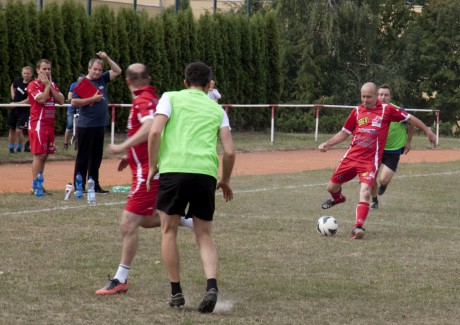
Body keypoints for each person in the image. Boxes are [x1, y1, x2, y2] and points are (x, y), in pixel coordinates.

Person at [96, 63, 192, 295]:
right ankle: (188, 219)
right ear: (148, 78)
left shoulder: (142, 100)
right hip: (147, 168)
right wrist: (131, 156)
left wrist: (123, 146)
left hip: (147, 173)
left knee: (128, 223)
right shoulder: (150, 97)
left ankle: (120, 279)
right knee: (146, 219)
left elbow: (150, 128)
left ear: (128, 81)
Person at [147, 62, 235, 313]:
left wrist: (153, 166)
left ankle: (176, 293)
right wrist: (225, 180)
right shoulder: (217, 109)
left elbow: (155, 133)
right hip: (205, 173)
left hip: (173, 170)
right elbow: (229, 151)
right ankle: (211, 286)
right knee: (204, 234)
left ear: (185, 82)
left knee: (169, 230)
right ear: (210, 85)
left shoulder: (170, 97)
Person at [318, 82, 436, 239]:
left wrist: (427, 130)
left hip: (369, 161)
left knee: (365, 192)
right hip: (351, 158)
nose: (365, 100)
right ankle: (338, 198)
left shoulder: (387, 110)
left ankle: (357, 227)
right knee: (331, 187)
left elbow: (410, 119)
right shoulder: (357, 112)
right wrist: (328, 143)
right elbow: (344, 132)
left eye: (369, 97)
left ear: (375, 97)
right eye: (363, 96)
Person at [71, 51, 121, 193]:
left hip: (100, 124)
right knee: (83, 156)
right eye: (95, 69)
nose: (98, 72)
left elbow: (118, 71)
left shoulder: (102, 79)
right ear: (89, 69)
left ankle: (94, 184)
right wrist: (92, 99)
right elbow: (74, 102)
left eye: (100, 70)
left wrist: (106, 58)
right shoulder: (82, 84)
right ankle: (79, 186)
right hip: (86, 125)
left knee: (96, 157)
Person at [370, 84, 414, 209]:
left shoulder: (397, 110)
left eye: (386, 95)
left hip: (393, 150)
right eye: (380, 94)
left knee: (383, 180)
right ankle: (374, 201)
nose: (383, 97)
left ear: (390, 97)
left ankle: (383, 186)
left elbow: (411, 124)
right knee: (371, 177)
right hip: (375, 148)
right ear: (376, 95)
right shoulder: (371, 110)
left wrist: (408, 142)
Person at [27, 59, 65, 194]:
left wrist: (50, 85)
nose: (47, 71)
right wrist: (47, 86)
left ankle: (40, 185)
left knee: (45, 155)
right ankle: (35, 186)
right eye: (44, 69)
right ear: (38, 70)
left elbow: (61, 101)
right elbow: (42, 99)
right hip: (38, 124)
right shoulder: (33, 85)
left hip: (49, 124)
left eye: (49, 69)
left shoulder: (52, 84)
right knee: (39, 155)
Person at [7, 66, 33, 153]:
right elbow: (12, 86)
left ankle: (19, 147)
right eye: (24, 73)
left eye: (28, 73)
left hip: (24, 110)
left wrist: (17, 103)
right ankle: (11, 148)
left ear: (31, 74)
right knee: (12, 129)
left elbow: (29, 99)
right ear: (22, 73)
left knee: (19, 130)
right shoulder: (18, 81)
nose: (26, 75)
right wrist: (13, 96)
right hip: (14, 109)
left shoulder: (32, 84)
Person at [64, 74, 85, 150]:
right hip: (72, 108)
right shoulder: (73, 85)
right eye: (79, 80)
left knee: (82, 127)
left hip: (81, 109)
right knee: (69, 125)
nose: (80, 82)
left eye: (82, 80)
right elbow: (69, 98)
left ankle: (79, 143)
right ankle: (66, 144)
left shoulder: (87, 87)